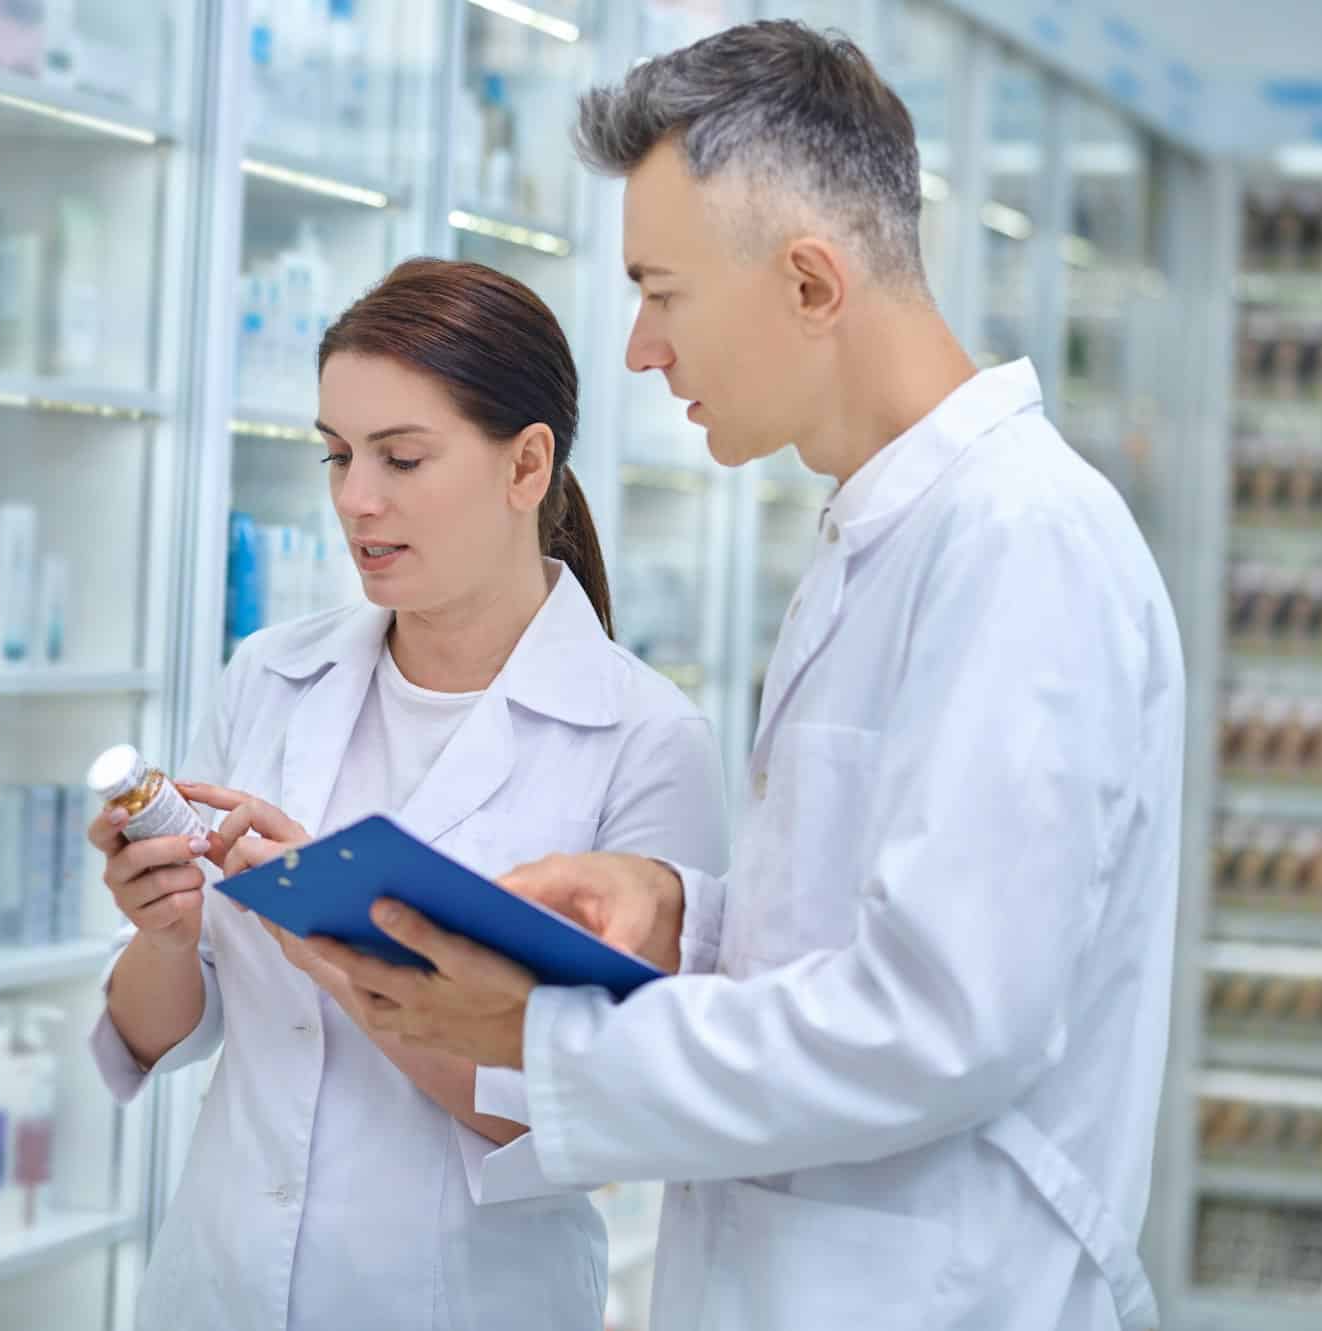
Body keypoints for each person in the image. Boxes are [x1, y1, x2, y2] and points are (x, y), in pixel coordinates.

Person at [309, 22, 1185, 1331]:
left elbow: (945, 1018)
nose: (640, 351)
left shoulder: (1018, 543)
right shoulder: (882, 533)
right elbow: (888, 922)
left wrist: (537, 1036)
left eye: (663, 291)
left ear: (812, 285)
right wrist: (684, 917)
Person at [87, 257, 729, 1330]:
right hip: (218, 1284)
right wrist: (162, 929)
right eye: (338, 454)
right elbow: (154, 1034)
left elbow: (593, 1115)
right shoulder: (269, 676)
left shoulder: (644, 737)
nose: (355, 499)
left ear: (526, 465)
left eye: (401, 457)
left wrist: (338, 948)